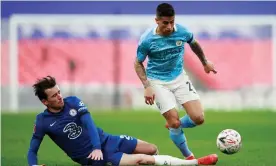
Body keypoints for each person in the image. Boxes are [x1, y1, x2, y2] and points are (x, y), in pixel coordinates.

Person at [27, 76, 218, 166]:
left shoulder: (74, 102)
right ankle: (195, 163)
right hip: (93, 157)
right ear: (45, 101)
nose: (60, 97)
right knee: (142, 160)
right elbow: (32, 150)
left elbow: (90, 125)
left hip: (105, 141)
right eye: (54, 96)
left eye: (59, 92)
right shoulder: (43, 122)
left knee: (151, 149)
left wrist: (97, 145)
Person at [134, 3, 218, 160]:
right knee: (174, 120)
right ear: (157, 21)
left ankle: (174, 126)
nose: (170, 26)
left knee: (198, 118)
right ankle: (189, 157)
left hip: (179, 77)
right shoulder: (147, 39)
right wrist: (147, 86)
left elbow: (194, 44)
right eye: (165, 22)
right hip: (157, 81)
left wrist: (205, 62)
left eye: (172, 21)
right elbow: (137, 63)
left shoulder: (182, 31)